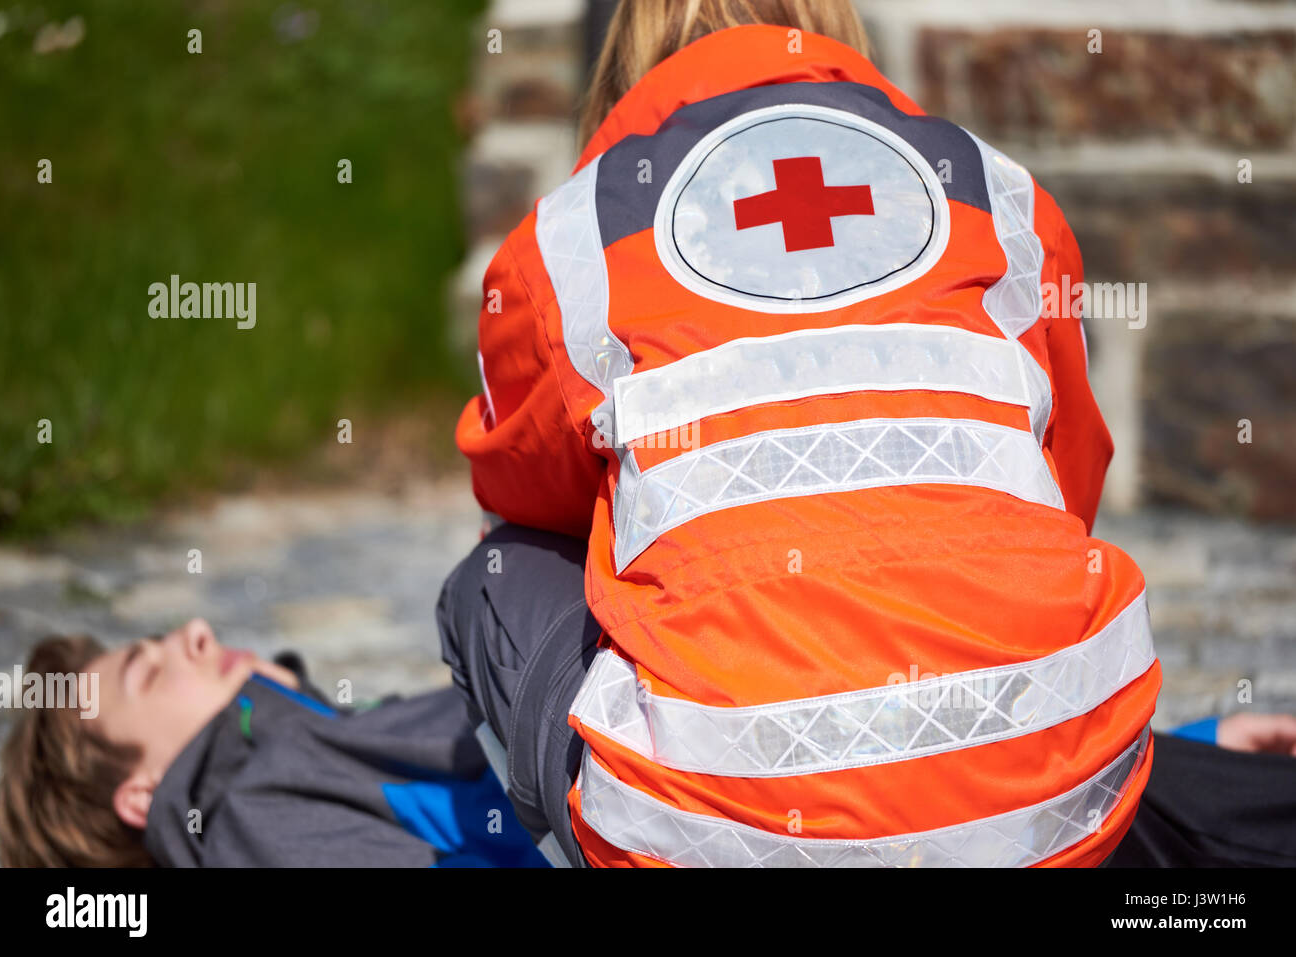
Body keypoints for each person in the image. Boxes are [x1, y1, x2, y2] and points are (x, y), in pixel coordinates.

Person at [438, 0, 1284, 868]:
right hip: (1064, 802)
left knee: (491, 575)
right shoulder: (998, 189)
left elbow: (523, 490)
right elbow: (1064, 486)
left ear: (625, 50)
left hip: (711, 830)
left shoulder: (572, 235)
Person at [0, 619, 547, 868]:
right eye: (150, 673)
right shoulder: (251, 820)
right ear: (141, 797)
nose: (195, 631)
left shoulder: (313, 748)